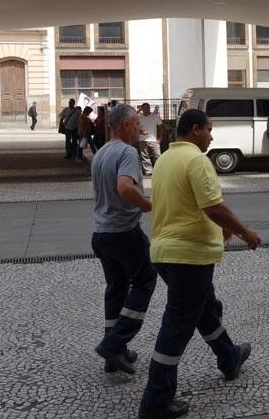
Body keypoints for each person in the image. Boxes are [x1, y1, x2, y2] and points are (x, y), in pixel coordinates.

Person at [138, 109, 262, 419]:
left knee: (205, 310)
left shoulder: (165, 159)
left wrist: (221, 230)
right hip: (188, 257)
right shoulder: (196, 160)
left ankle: (229, 357)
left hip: (165, 253)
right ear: (195, 130)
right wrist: (244, 231)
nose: (212, 136)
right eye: (209, 130)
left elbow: (186, 203)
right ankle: (156, 401)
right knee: (176, 327)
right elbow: (213, 206)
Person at [91, 103, 156, 375]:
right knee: (145, 281)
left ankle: (113, 353)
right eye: (137, 123)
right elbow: (124, 187)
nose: (140, 129)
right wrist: (146, 204)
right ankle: (114, 343)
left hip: (101, 233)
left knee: (116, 288)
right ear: (126, 125)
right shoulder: (128, 152)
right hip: (124, 232)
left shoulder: (101, 153)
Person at [138, 103, 165, 176]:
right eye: (144, 108)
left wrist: (159, 138)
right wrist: (141, 132)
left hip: (154, 140)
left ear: (149, 108)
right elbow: (135, 128)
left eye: (147, 108)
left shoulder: (155, 116)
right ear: (142, 109)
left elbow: (161, 127)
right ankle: (148, 172)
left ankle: (159, 171)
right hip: (142, 140)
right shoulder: (139, 117)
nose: (146, 109)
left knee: (158, 156)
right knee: (145, 156)